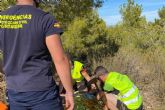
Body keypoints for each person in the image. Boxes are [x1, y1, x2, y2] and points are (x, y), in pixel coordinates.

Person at [0, 0, 74, 110]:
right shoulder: (45, 19)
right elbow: (60, 59)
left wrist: (8, 71)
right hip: (43, 93)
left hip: (14, 91)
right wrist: (69, 92)